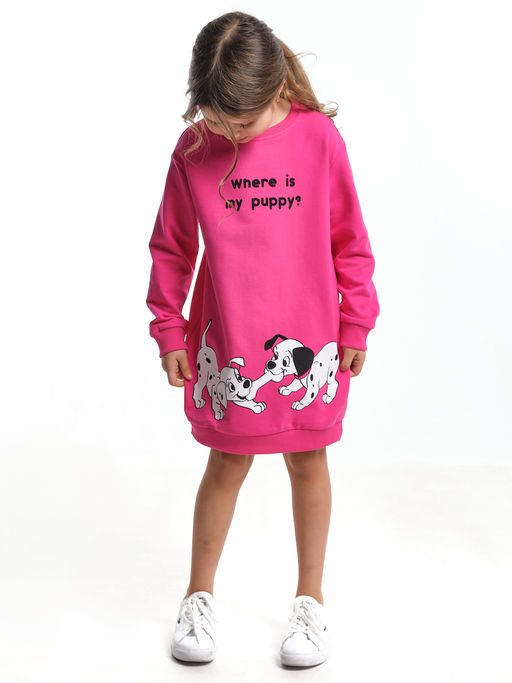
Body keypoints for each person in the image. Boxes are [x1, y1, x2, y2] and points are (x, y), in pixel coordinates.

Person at [146, 10, 380, 668]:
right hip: (230, 342)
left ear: (274, 89)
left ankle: (311, 600)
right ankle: (198, 596)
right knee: (225, 464)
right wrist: (168, 327)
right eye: (216, 119)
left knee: (309, 461)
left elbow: (350, 239)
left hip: (311, 340)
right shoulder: (194, 149)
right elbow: (171, 248)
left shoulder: (318, 139)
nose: (227, 133)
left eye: (240, 124)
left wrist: (357, 319)